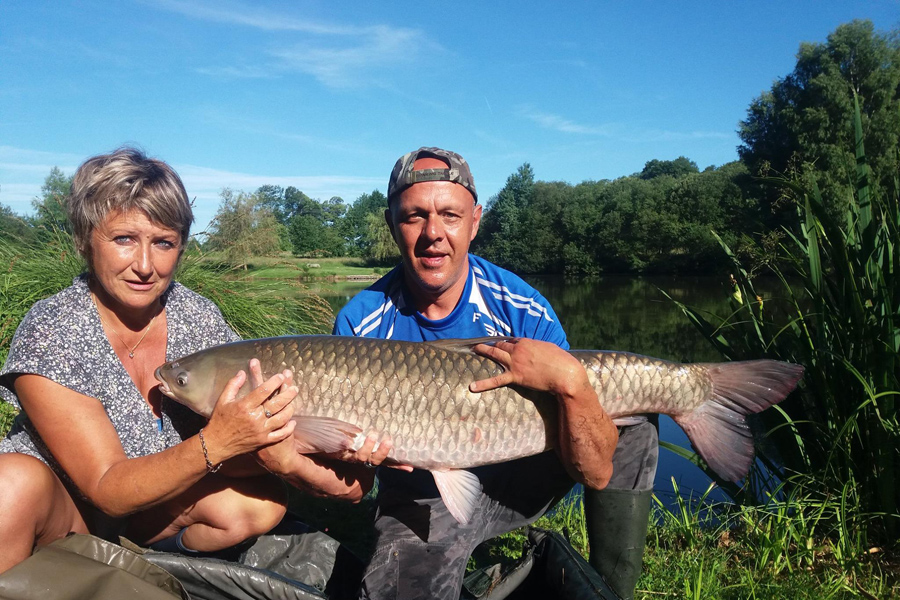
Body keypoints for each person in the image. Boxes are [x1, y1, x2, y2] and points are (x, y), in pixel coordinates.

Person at [0, 147, 391, 574]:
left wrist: (323, 458)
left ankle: (159, 572)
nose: (145, 266)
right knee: (9, 487)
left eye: (164, 243)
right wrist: (216, 443)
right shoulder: (53, 329)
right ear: (85, 239)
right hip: (69, 511)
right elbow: (106, 487)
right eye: (124, 239)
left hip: (150, 513)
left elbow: (251, 441)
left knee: (260, 504)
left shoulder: (197, 315)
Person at [334, 147, 659, 600]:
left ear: (475, 221)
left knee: (633, 425)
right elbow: (350, 471)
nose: (434, 234)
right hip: (421, 494)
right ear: (392, 224)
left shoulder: (519, 305)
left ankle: (611, 588)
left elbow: (595, 470)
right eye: (414, 217)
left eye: (450, 214)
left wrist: (571, 380)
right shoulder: (360, 324)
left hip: (522, 471)